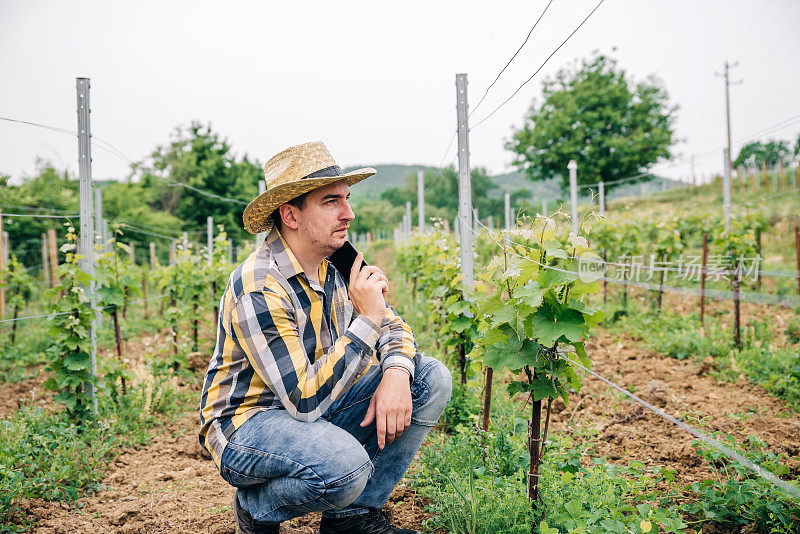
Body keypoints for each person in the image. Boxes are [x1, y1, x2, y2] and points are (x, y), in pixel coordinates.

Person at [199, 141, 452, 534]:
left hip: (317, 404)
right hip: (249, 423)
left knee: (429, 378)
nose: (348, 213)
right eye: (331, 201)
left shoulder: (340, 261)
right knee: (344, 467)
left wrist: (397, 374)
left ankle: (352, 519)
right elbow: (303, 399)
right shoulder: (261, 287)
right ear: (291, 215)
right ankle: (256, 506)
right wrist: (368, 318)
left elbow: (394, 325)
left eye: (347, 199)